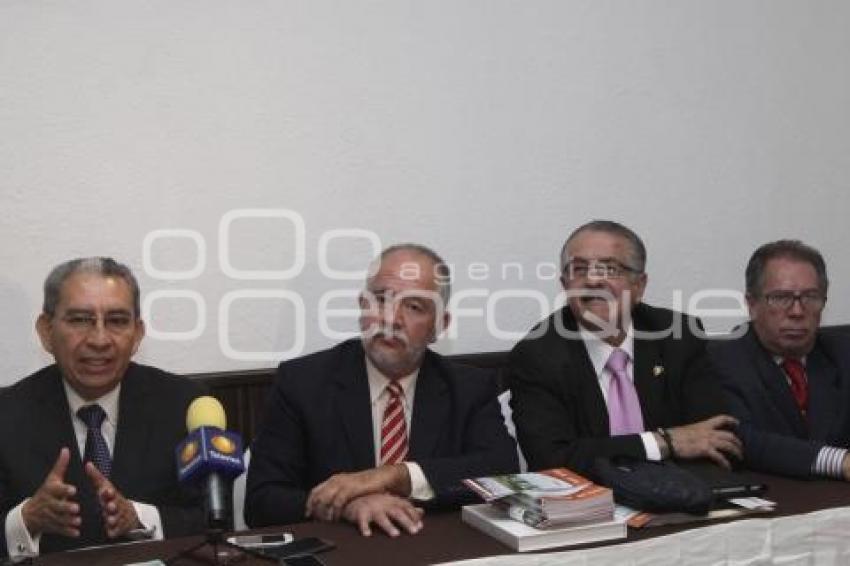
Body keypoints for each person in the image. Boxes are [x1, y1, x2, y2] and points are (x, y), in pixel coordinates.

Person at [245, 244, 518, 537]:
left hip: (435, 546)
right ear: (362, 305)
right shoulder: (304, 383)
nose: (391, 320)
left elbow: (503, 473)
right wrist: (347, 504)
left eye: (414, 307)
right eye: (381, 300)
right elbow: (262, 501)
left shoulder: (469, 388)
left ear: (441, 324)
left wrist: (396, 475)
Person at [0, 257, 205, 559]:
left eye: (117, 321)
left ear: (137, 334)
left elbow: (213, 518)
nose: (99, 339)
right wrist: (26, 520)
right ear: (46, 331)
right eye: (80, 320)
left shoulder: (184, 405)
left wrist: (140, 518)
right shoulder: (7, 415)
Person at [509, 220, 742, 475]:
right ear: (565, 285)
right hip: (595, 497)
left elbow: (715, 437)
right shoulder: (537, 355)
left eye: (610, 269)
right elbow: (550, 459)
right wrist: (663, 442)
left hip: (680, 490)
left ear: (639, 285)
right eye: (580, 269)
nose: (593, 280)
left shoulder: (678, 336)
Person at [707, 240, 850, 479]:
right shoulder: (722, 359)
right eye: (781, 297)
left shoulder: (842, 351)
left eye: (810, 297)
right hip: (774, 494)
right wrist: (839, 461)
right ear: (752, 304)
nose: (797, 311)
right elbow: (740, 439)